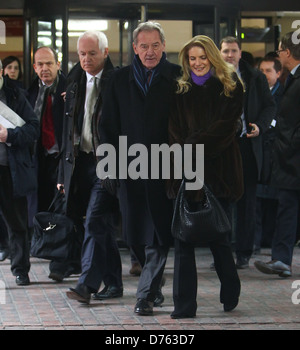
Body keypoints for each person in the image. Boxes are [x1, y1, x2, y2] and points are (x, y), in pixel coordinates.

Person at [99, 21, 181, 316]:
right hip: (130, 168)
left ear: (163, 46)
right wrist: (108, 167)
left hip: (166, 168)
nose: (149, 51)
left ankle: (144, 295)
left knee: (159, 233)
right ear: (134, 48)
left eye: (155, 45)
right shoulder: (119, 79)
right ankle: (154, 284)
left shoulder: (177, 77)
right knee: (135, 234)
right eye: (143, 46)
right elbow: (106, 126)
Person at [167, 35, 243, 318]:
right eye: (192, 58)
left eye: (202, 57)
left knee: (218, 237)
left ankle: (230, 287)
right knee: (183, 237)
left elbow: (224, 130)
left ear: (212, 57)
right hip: (188, 171)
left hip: (219, 171)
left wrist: (190, 146)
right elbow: (173, 130)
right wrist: (181, 154)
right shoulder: (179, 90)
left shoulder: (231, 87)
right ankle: (184, 306)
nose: (197, 63)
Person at [58, 31, 122, 303]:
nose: (85, 59)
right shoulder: (74, 84)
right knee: (100, 226)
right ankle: (115, 283)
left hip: (107, 163)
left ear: (105, 53)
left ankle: (86, 285)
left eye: (92, 53)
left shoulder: (118, 82)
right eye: (81, 54)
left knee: (95, 220)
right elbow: (66, 132)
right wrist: (62, 173)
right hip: (80, 164)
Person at [220, 36, 276, 269]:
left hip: (247, 144)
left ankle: (243, 252)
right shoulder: (212, 77)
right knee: (221, 201)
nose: (230, 55)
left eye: (233, 50)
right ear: (220, 53)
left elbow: (270, 106)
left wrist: (260, 126)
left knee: (247, 202)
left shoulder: (255, 77)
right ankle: (221, 252)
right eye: (225, 51)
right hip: (222, 147)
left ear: (241, 53)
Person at [254, 32, 300, 278]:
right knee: (287, 207)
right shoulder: (291, 78)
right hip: (288, 160)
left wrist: (289, 143)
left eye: (281, 50)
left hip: (293, 157)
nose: (279, 54)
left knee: (288, 207)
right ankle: (281, 260)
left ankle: (282, 259)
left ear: (288, 53)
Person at [27, 47, 67, 281]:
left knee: (63, 211)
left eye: (49, 63)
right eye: (40, 64)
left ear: (58, 64)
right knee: (44, 210)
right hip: (40, 160)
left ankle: (60, 265)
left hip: (64, 159)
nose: (44, 69)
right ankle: (54, 256)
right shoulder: (31, 93)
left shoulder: (69, 89)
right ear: (34, 68)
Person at [0, 59, 39, 285]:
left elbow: (33, 129)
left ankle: (20, 269)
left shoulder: (15, 95)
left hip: (9, 170)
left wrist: (9, 136)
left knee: (17, 223)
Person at [254, 56, 283, 253]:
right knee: (256, 198)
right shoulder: (256, 94)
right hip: (260, 150)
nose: (264, 75)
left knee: (274, 200)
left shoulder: (283, 95)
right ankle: (256, 240)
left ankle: (270, 239)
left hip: (276, 153)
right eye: (261, 70)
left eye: (268, 71)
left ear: (278, 73)